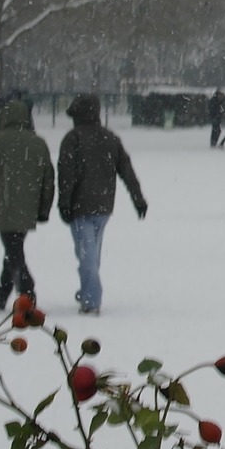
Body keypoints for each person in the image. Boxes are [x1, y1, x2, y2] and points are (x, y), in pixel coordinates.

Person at [55, 94, 147, 316]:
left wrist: (64, 203)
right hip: (104, 206)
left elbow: (66, 175)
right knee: (91, 253)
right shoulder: (110, 138)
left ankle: (91, 300)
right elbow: (127, 171)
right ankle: (88, 290)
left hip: (80, 206)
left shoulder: (73, 139)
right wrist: (138, 199)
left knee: (86, 254)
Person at [0, 98, 55, 310]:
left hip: (2, 205)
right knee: (14, 248)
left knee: (13, 250)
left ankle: (27, 289)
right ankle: (1, 295)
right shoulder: (38, 143)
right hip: (29, 207)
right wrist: (44, 209)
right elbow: (48, 180)